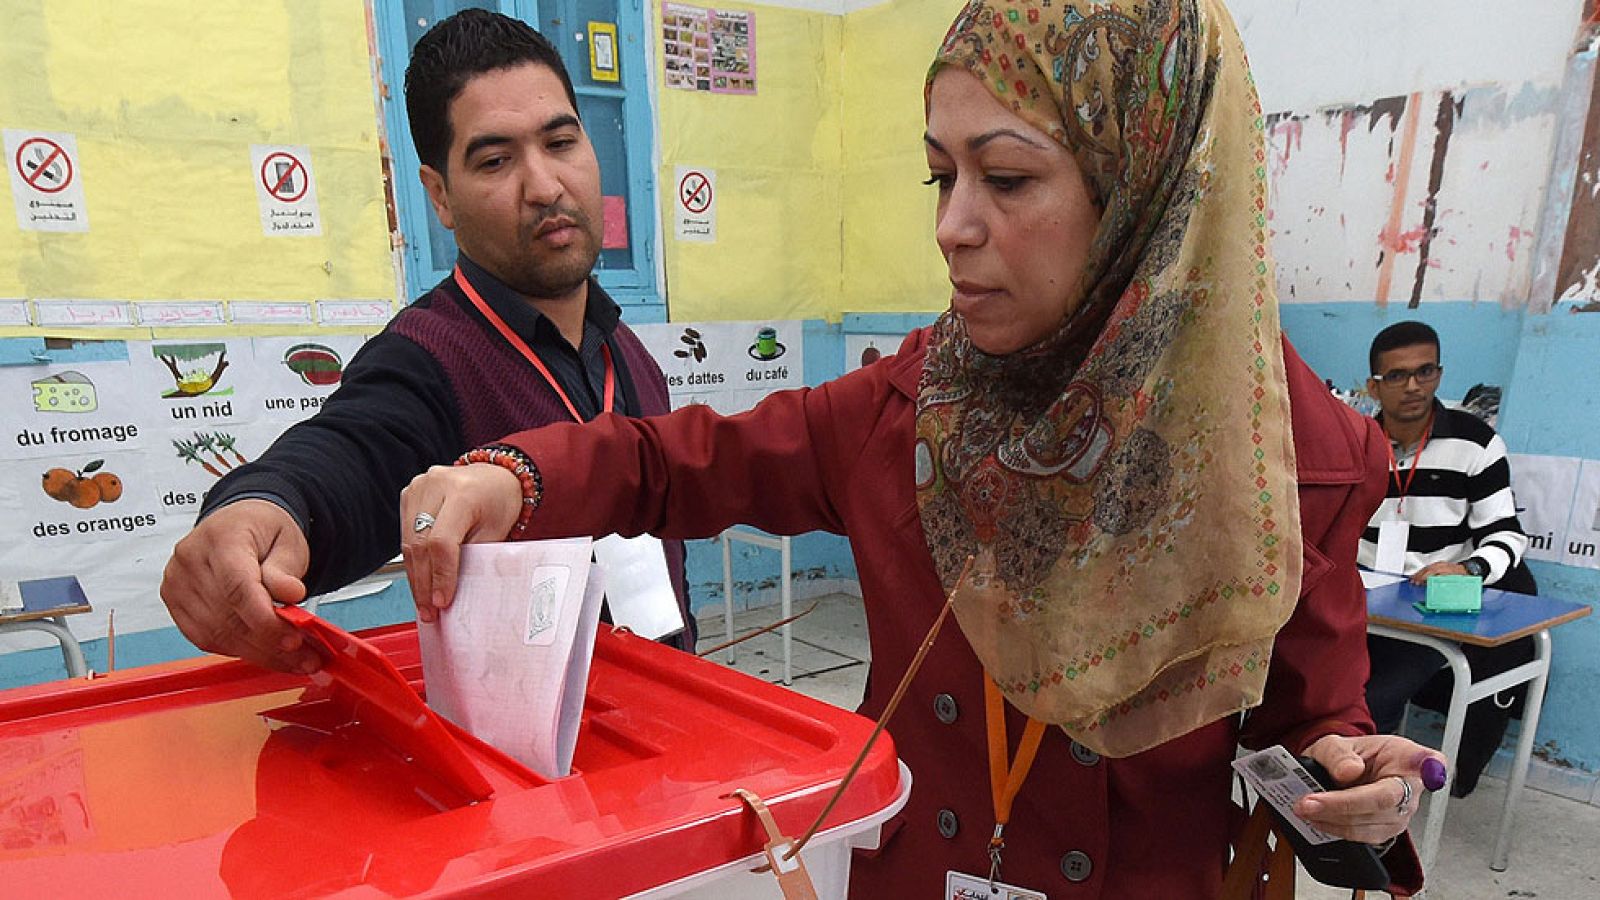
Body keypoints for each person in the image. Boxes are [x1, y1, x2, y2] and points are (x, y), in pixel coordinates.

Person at [400, 0, 1441, 895]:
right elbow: (675, 462)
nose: (953, 227)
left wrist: (1354, 784)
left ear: (1148, 189)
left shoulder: (1284, 458)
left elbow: (1311, 719)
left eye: (1008, 177)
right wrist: (508, 477)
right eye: (941, 176)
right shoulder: (915, 406)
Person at [159, 9, 693, 675]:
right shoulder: (425, 357)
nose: (545, 186)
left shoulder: (627, 353)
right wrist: (266, 505)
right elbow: (350, 451)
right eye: (495, 160)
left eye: (560, 143)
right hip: (522, 738)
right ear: (439, 196)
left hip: (679, 712)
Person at [1360, 320, 1535, 798]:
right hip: (1363, 600)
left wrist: (1468, 569)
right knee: (1307, 682)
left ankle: (1373, 796)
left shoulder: (1476, 442)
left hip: (1426, 607)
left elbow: (1505, 533)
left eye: (1425, 372)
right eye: (1397, 376)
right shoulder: (1356, 441)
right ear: (1374, 385)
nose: (1413, 386)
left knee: (1374, 698)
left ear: (1438, 374)